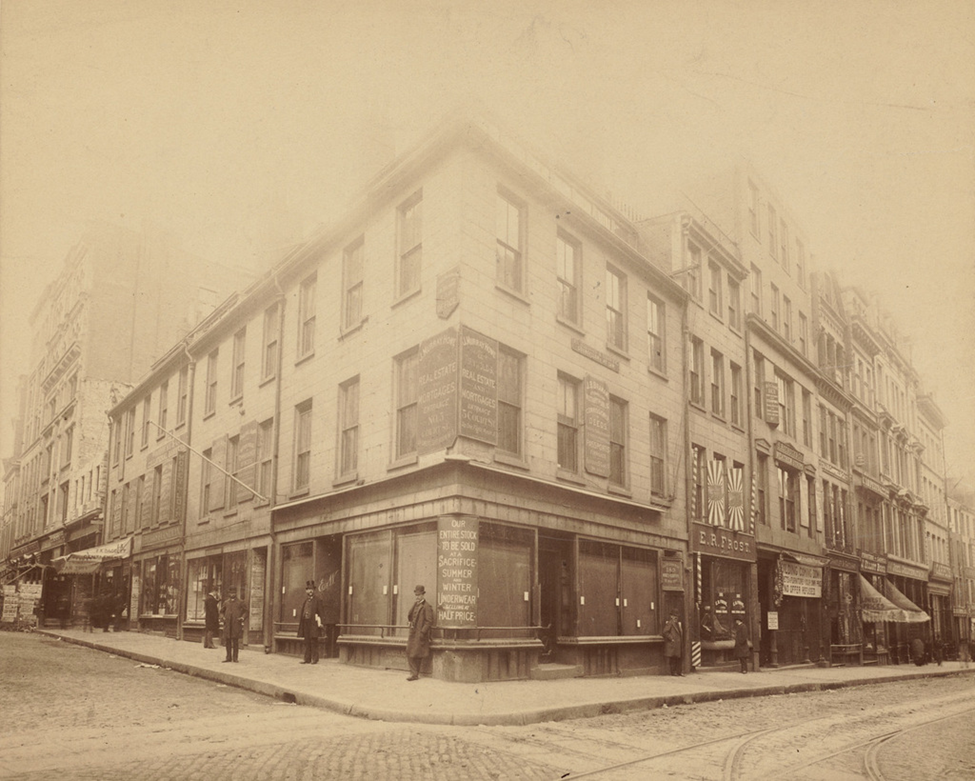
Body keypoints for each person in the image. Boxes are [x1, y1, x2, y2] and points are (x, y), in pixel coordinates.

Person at [406, 585, 434, 681]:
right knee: (409, 651)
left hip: (420, 634)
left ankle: (414, 674)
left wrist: (422, 632)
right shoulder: (415, 604)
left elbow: (429, 621)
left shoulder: (427, 606)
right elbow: (410, 616)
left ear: (423, 595)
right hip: (413, 633)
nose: (417, 597)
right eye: (416, 595)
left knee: (417, 654)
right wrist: (409, 622)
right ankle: (414, 673)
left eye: (419, 595)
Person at [297, 581, 326, 664]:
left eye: (312, 589)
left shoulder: (318, 600)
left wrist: (321, 623)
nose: (310, 591)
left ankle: (315, 659)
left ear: (314, 590)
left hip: (313, 623)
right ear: (306, 591)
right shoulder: (306, 601)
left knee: (313, 641)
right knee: (307, 641)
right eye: (309, 589)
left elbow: (321, 613)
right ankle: (307, 659)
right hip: (306, 623)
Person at [221, 587, 246, 663]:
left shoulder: (240, 602)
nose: (232, 594)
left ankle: (235, 658)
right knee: (228, 641)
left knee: (235, 641)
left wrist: (242, 617)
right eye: (231, 593)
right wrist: (223, 617)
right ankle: (228, 657)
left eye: (233, 593)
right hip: (228, 625)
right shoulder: (226, 602)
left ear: (236, 593)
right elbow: (221, 611)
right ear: (229, 594)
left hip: (236, 624)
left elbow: (246, 611)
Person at [662, 610, 684, 677]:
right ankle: (673, 672)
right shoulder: (670, 623)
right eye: (674, 616)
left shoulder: (678, 624)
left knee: (678, 658)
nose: (676, 617)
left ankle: (679, 672)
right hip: (673, 644)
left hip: (678, 644)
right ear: (671, 616)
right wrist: (671, 638)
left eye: (676, 616)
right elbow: (665, 632)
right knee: (673, 658)